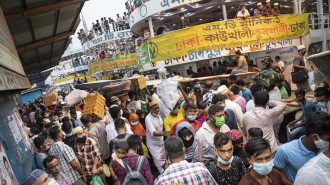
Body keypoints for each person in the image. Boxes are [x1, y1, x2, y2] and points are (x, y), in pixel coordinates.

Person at [274, 111, 330, 184]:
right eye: (328, 139)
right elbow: (275, 172)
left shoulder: (325, 148)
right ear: (315, 137)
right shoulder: (285, 150)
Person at [145, 101, 166, 174]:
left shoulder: (159, 115)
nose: (157, 110)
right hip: (153, 143)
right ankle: (162, 174)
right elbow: (153, 132)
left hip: (161, 142)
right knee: (157, 160)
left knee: (164, 158)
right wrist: (164, 134)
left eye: (158, 108)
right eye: (155, 109)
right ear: (150, 109)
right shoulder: (148, 118)